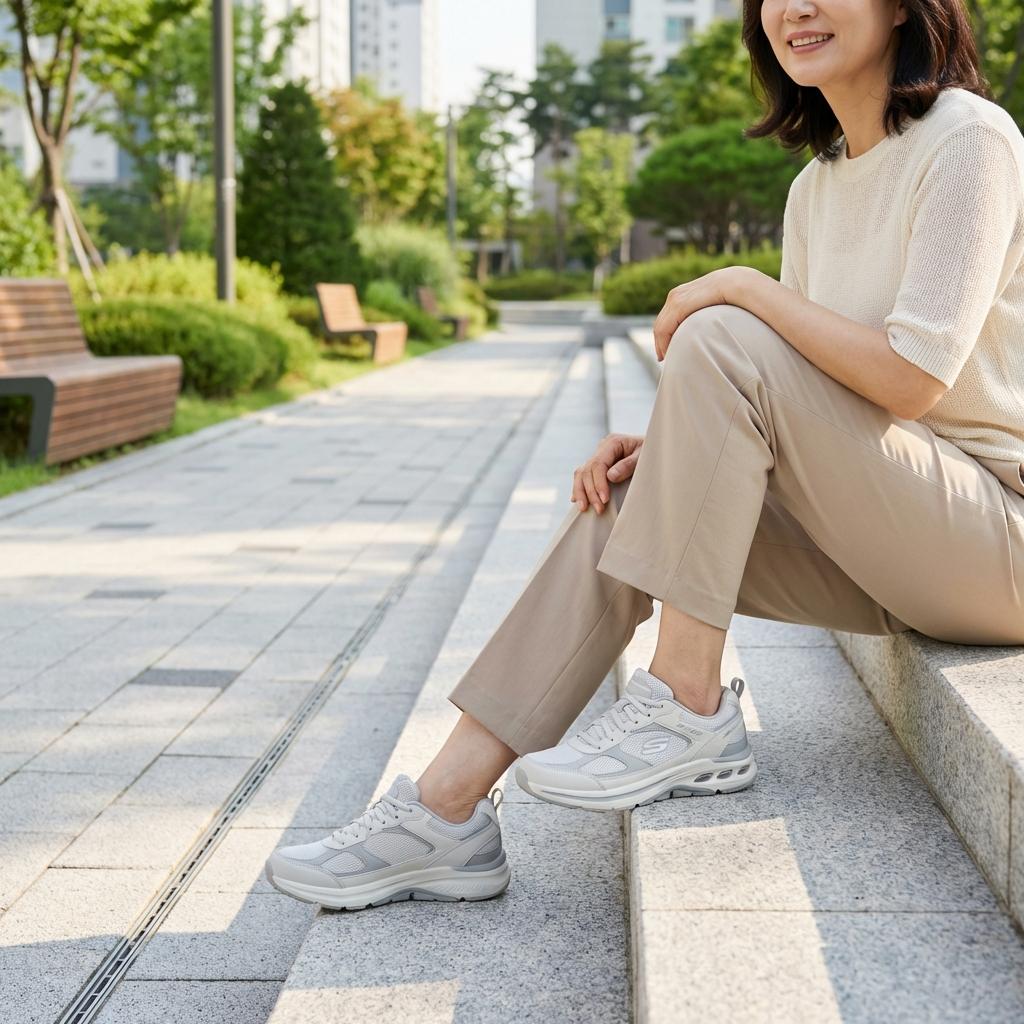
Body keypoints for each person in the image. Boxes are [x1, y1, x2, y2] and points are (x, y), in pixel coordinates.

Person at [265, 0, 1024, 911]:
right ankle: (445, 810)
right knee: (626, 496)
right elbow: (823, 395)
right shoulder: (816, 186)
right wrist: (675, 447)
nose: (798, 8)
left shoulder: (969, 139)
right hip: (893, 535)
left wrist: (740, 288)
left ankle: (686, 702)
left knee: (722, 328)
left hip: (994, 542)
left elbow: (909, 380)